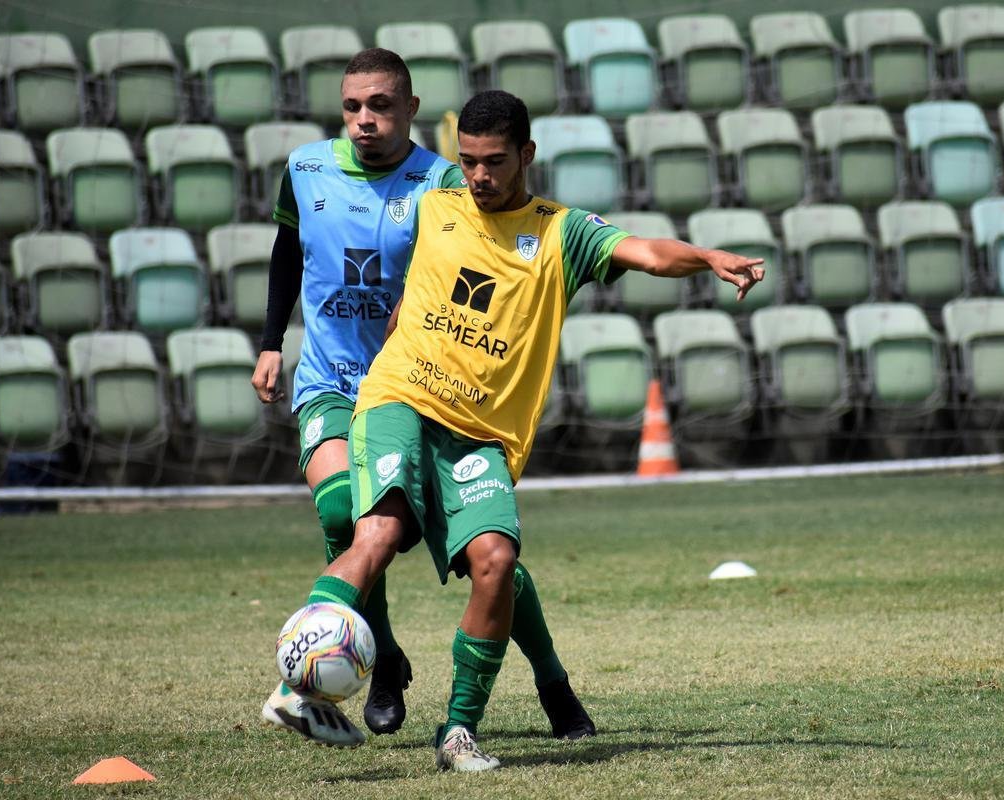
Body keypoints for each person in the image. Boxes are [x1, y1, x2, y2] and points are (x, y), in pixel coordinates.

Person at [286, 89, 764, 772]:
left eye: (494, 162)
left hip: (481, 433)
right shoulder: (435, 206)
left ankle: (458, 732)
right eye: (469, 161)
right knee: (377, 531)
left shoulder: (561, 233)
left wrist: (708, 257)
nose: (478, 177)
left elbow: (650, 253)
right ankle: (297, 683)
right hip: (399, 402)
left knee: (497, 564)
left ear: (526, 156)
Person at [253, 50, 594, 748]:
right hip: (331, 378)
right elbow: (287, 250)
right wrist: (268, 340)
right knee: (345, 513)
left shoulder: (446, 183)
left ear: (411, 109)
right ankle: (374, 663)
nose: (364, 120)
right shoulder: (306, 168)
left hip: (426, 391)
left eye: (379, 105)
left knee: (488, 556)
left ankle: (552, 681)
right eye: (352, 106)